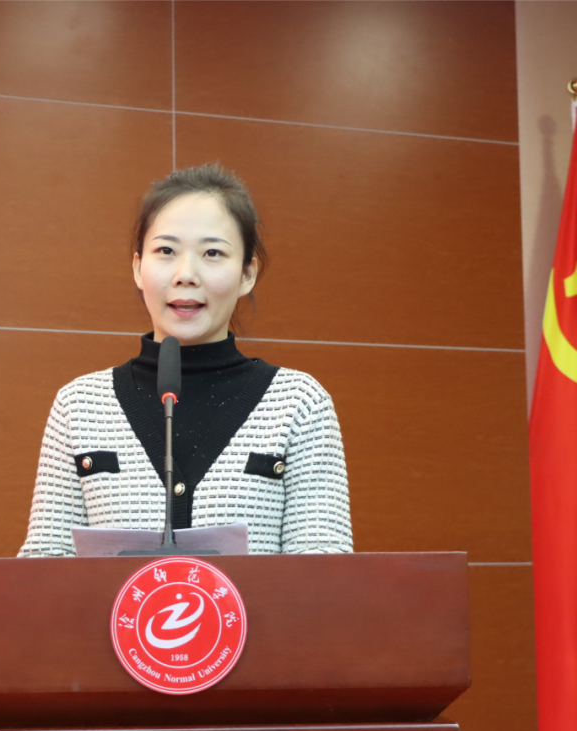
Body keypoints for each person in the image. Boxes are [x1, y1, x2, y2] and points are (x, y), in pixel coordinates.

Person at [18, 164, 352, 556]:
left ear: (247, 273)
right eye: (166, 251)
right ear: (137, 268)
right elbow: (44, 563)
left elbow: (324, 568)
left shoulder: (298, 403)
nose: (186, 274)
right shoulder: (79, 405)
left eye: (212, 253)